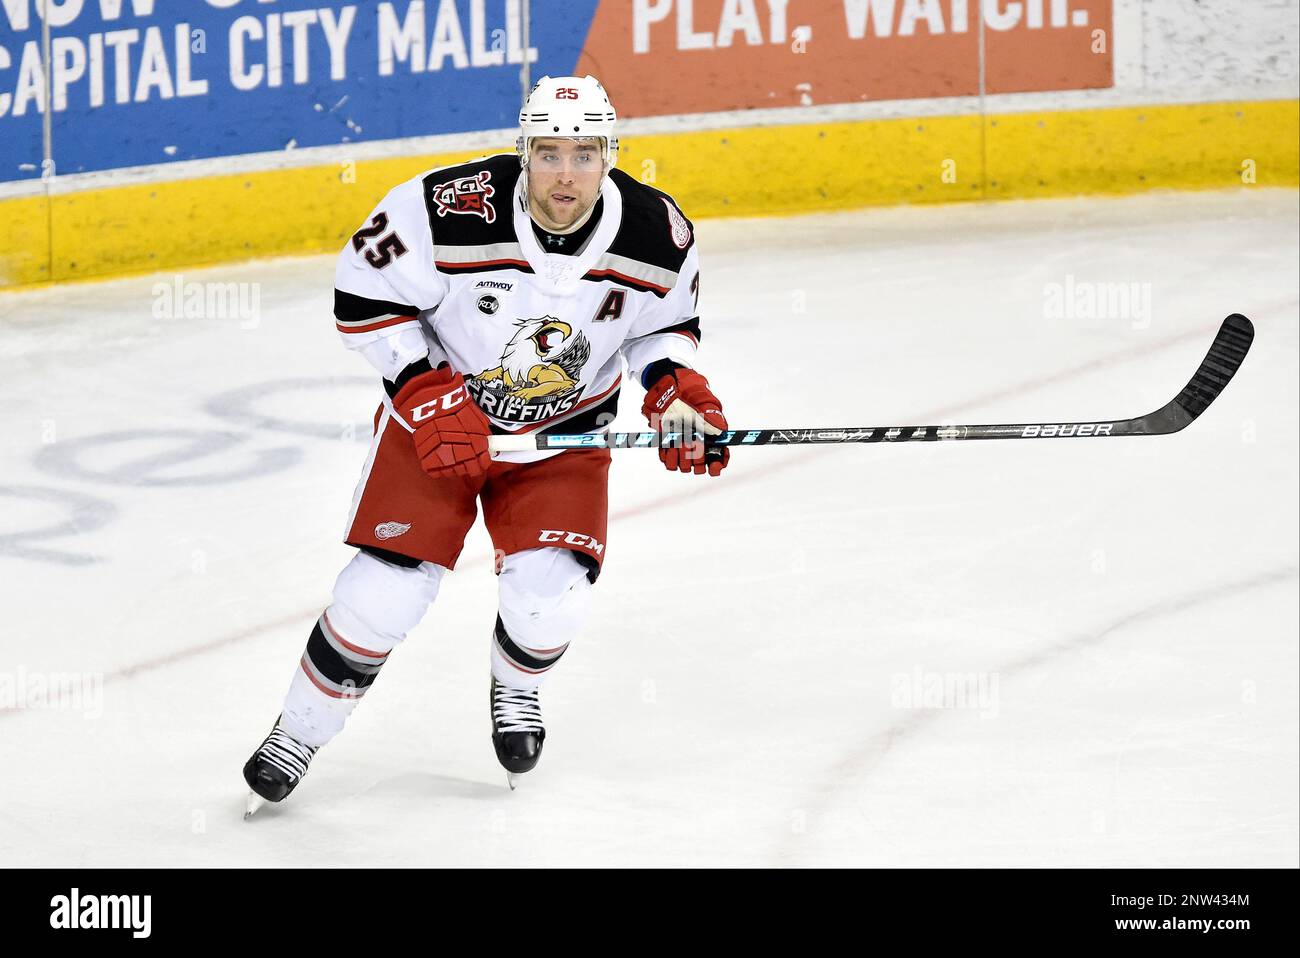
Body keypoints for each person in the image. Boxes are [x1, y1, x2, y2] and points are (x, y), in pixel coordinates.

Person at [243, 75, 729, 813]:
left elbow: (661, 329)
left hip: (563, 440)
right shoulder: (443, 208)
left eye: (585, 154)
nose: (566, 175)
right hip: (438, 430)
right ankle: (300, 730)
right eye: (549, 154)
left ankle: (518, 689)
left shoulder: (656, 234)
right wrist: (423, 390)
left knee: (549, 602)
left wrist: (674, 393)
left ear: (612, 156)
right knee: (383, 592)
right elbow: (363, 296)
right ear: (522, 152)